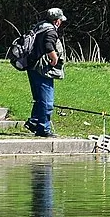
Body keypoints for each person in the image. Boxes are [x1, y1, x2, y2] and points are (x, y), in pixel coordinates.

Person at [22, 7, 67, 137]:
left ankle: (34, 122)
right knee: (47, 101)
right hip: (43, 69)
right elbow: (49, 46)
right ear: (57, 21)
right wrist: (54, 59)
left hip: (31, 66)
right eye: (60, 20)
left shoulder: (39, 26)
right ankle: (43, 129)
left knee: (39, 98)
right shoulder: (51, 31)